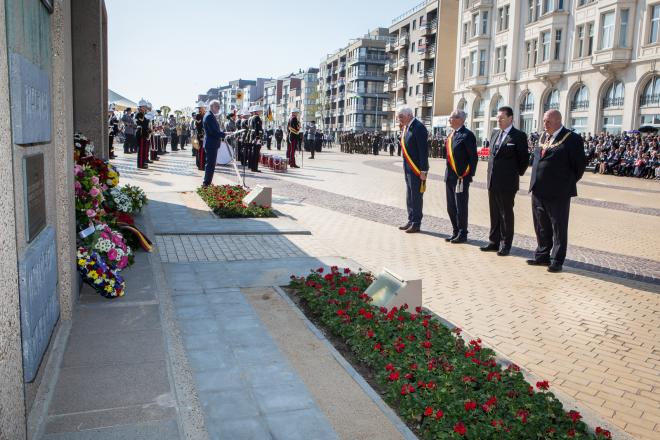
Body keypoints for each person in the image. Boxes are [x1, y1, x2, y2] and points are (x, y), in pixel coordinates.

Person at [528, 109, 586, 273]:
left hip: (558, 192)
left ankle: (556, 260)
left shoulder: (572, 139)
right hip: (538, 190)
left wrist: (565, 183)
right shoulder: (543, 137)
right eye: (544, 121)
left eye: (548, 121)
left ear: (558, 121)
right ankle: (542, 255)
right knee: (541, 225)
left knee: (558, 227)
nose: (544, 124)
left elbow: (579, 166)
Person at [480, 106, 529, 256]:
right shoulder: (495, 133)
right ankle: (493, 242)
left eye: (501, 118)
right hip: (493, 181)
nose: (498, 120)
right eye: (497, 118)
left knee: (505, 214)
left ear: (510, 118)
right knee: (494, 213)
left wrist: (514, 174)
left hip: (507, 183)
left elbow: (524, 160)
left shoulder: (518, 136)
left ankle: (505, 244)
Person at [444, 109, 477, 243]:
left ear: (459, 120)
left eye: (451, 118)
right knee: (451, 206)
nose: (449, 120)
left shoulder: (467, 135)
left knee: (461, 206)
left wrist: (466, 175)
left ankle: (463, 233)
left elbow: (473, 158)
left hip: (461, 178)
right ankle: (455, 231)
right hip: (450, 177)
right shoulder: (451, 134)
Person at [396, 106, 429, 234]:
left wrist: (424, 170)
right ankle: (410, 220)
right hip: (408, 168)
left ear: (409, 115)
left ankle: (416, 223)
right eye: (399, 117)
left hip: (417, 170)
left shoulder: (419, 128)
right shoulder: (407, 127)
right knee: (409, 196)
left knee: (416, 196)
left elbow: (423, 151)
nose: (399, 120)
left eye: (401, 117)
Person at [202, 100, 226, 186]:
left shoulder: (210, 115)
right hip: (211, 144)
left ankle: (207, 182)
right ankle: (206, 183)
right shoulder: (209, 116)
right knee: (210, 165)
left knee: (211, 164)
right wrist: (224, 134)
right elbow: (213, 132)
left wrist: (223, 134)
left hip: (211, 143)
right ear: (212, 106)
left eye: (219, 107)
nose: (219, 109)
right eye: (217, 107)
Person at [247, 106, 263, 172]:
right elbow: (257, 129)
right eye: (260, 111)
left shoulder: (251, 118)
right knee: (256, 153)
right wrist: (258, 138)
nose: (261, 112)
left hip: (252, 136)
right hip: (256, 137)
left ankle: (252, 167)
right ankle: (254, 168)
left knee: (253, 152)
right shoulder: (257, 117)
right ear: (256, 111)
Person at [135, 99, 150, 169]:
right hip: (140, 133)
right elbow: (141, 124)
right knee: (141, 150)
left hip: (143, 133)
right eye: (144, 107)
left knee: (143, 149)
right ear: (141, 107)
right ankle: (140, 164)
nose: (146, 108)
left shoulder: (143, 114)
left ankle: (143, 162)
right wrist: (147, 123)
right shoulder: (139, 114)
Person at [194, 102, 206, 170]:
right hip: (200, 136)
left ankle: (202, 164)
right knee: (200, 150)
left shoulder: (204, 115)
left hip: (204, 135)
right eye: (203, 108)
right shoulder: (198, 116)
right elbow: (199, 127)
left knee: (203, 151)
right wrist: (201, 135)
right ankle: (200, 165)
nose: (204, 109)